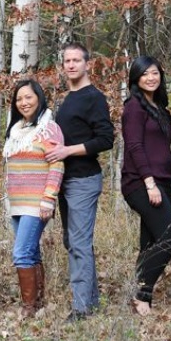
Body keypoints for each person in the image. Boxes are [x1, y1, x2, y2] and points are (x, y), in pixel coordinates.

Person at [45, 42, 114, 321]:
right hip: (64, 179)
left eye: (76, 60)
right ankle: (91, 301)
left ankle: (81, 308)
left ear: (88, 64)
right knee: (72, 241)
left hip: (84, 179)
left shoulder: (93, 97)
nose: (71, 65)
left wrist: (67, 151)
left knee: (79, 242)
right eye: (67, 61)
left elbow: (105, 139)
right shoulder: (66, 98)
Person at [121, 55, 171, 316]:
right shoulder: (133, 107)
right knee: (170, 238)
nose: (151, 77)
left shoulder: (160, 109)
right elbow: (134, 146)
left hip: (163, 181)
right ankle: (141, 295)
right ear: (136, 78)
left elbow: (163, 150)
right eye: (145, 74)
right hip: (141, 182)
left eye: (155, 73)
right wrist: (149, 183)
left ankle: (140, 297)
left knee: (151, 241)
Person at [3, 79, 64, 316]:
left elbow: (57, 164)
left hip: (37, 203)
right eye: (19, 98)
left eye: (28, 97)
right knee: (31, 251)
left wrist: (49, 198)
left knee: (21, 253)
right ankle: (38, 302)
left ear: (39, 97)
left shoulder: (49, 127)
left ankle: (27, 307)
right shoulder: (16, 130)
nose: (23, 102)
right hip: (16, 203)